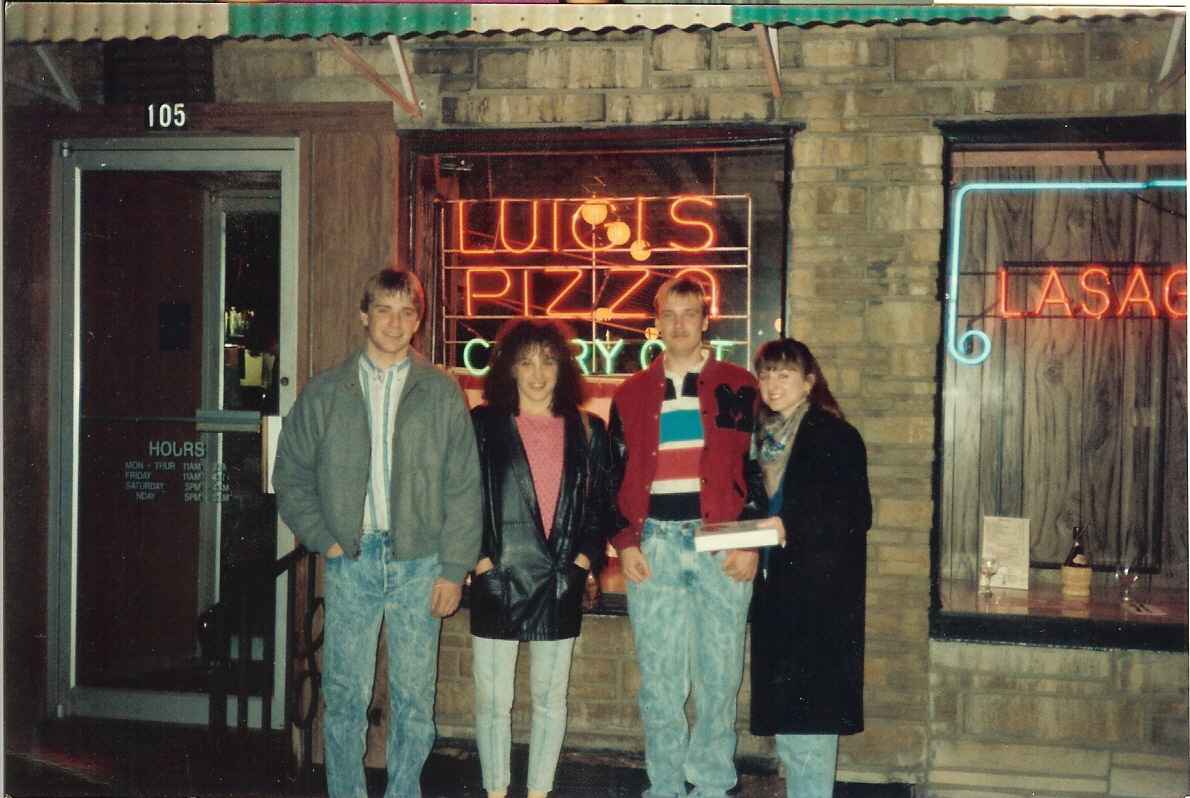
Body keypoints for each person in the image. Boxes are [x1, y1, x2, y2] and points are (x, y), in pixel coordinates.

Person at [272, 268, 481, 798]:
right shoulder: (326, 392)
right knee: (344, 695)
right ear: (364, 314)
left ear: (418, 321)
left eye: (407, 312)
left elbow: (464, 485)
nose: (395, 322)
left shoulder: (440, 392)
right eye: (384, 309)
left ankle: (403, 791)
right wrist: (328, 538)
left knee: (415, 698)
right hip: (353, 558)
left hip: (421, 563)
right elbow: (290, 474)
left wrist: (453, 569)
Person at [608, 276, 771, 798]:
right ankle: (665, 786)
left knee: (719, 679)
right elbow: (611, 472)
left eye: (690, 313)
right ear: (656, 322)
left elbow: (763, 466)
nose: (679, 324)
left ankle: (712, 784)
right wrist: (625, 541)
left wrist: (750, 541)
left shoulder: (739, 385)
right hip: (653, 545)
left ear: (706, 320)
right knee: (660, 682)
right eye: (669, 314)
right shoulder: (631, 393)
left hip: (721, 542)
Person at [469, 319, 613, 798]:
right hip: (500, 575)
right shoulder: (484, 424)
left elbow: (601, 508)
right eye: (525, 362)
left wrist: (583, 562)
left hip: (557, 579)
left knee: (551, 699)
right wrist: (479, 559)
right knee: (493, 700)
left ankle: (538, 791)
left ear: (563, 367)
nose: (537, 374)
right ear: (508, 368)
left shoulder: (589, 430)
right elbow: (463, 496)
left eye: (548, 361)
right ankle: (494, 790)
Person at [748, 338, 872, 798]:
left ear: (809, 381)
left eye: (784, 374)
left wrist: (789, 525)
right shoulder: (760, 438)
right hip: (777, 599)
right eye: (766, 375)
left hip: (820, 604)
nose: (773, 385)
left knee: (811, 733)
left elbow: (856, 515)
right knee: (790, 733)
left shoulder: (836, 436)